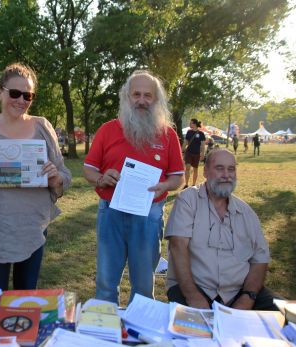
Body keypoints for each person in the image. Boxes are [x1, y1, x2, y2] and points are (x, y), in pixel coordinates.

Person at [0, 63, 71, 291]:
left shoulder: (43, 127)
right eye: (15, 93)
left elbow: (64, 174)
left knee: (25, 298)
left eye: (27, 95)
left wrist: (55, 177)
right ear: (0, 92)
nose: (21, 100)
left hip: (32, 226)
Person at [82, 70, 184, 305]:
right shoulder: (108, 130)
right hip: (111, 212)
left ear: (156, 100)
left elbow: (178, 176)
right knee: (106, 282)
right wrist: (100, 178)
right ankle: (107, 334)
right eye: (136, 94)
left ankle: (140, 334)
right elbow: (88, 169)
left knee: (143, 284)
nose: (141, 100)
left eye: (148, 95)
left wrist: (165, 185)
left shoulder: (168, 135)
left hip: (148, 214)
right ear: (126, 98)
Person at [165, 148, 277, 310]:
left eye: (231, 169)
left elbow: (260, 259)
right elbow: (178, 247)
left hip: (239, 291)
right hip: (194, 288)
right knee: (197, 331)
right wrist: (192, 295)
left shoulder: (246, 212)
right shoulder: (188, 200)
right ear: (205, 172)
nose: (226, 174)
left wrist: (248, 296)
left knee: (286, 318)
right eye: (219, 168)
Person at [183, 118, 206, 188]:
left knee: (195, 169)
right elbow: (186, 142)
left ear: (195, 124)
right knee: (187, 167)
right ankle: (186, 184)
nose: (189, 124)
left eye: (191, 123)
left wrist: (202, 154)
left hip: (197, 153)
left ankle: (193, 184)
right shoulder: (189, 132)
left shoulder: (201, 134)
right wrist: (182, 150)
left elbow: (202, 145)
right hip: (189, 153)